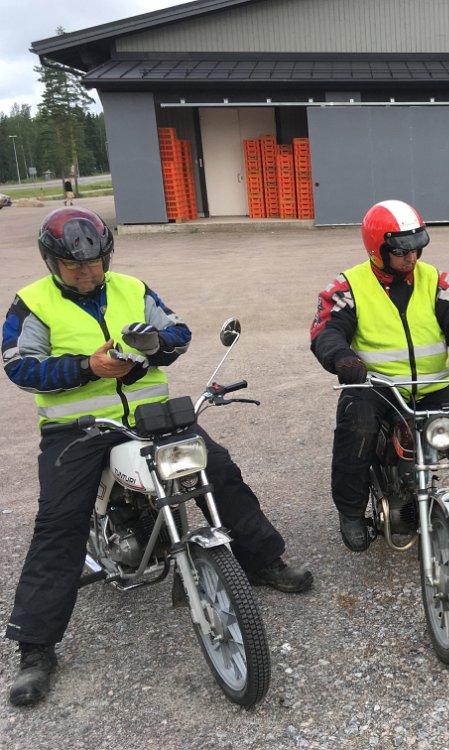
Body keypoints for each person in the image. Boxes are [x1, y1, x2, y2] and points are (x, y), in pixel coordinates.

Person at [2, 207, 313, 707]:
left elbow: (179, 333)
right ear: (51, 263)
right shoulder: (33, 303)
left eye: (94, 262)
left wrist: (151, 344)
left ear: (107, 257)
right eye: (73, 265)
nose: (86, 272)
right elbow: (20, 366)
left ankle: (261, 561)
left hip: (152, 417)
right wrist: (88, 366)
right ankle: (36, 648)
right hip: (77, 430)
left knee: (220, 472)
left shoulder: (132, 288)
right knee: (59, 523)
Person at [310, 199, 449, 554]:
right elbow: (327, 329)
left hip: (431, 388)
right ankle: (351, 512)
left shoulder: (435, 281)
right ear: (378, 249)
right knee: (358, 427)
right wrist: (341, 357)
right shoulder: (348, 286)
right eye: (402, 251)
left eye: (416, 249)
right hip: (376, 386)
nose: (411, 258)